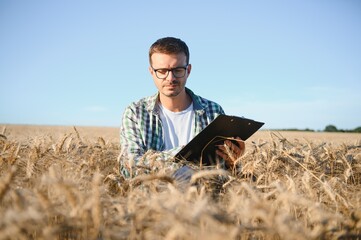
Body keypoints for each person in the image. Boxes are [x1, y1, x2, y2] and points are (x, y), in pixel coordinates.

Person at [119, 37, 245, 179]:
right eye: (162, 71)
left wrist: (233, 163)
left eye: (177, 70)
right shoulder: (136, 113)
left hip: (204, 198)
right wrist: (184, 153)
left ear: (188, 70)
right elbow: (129, 167)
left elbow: (224, 174)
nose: (170, 78)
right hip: (152, 198)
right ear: (151, 72)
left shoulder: (213, 112)